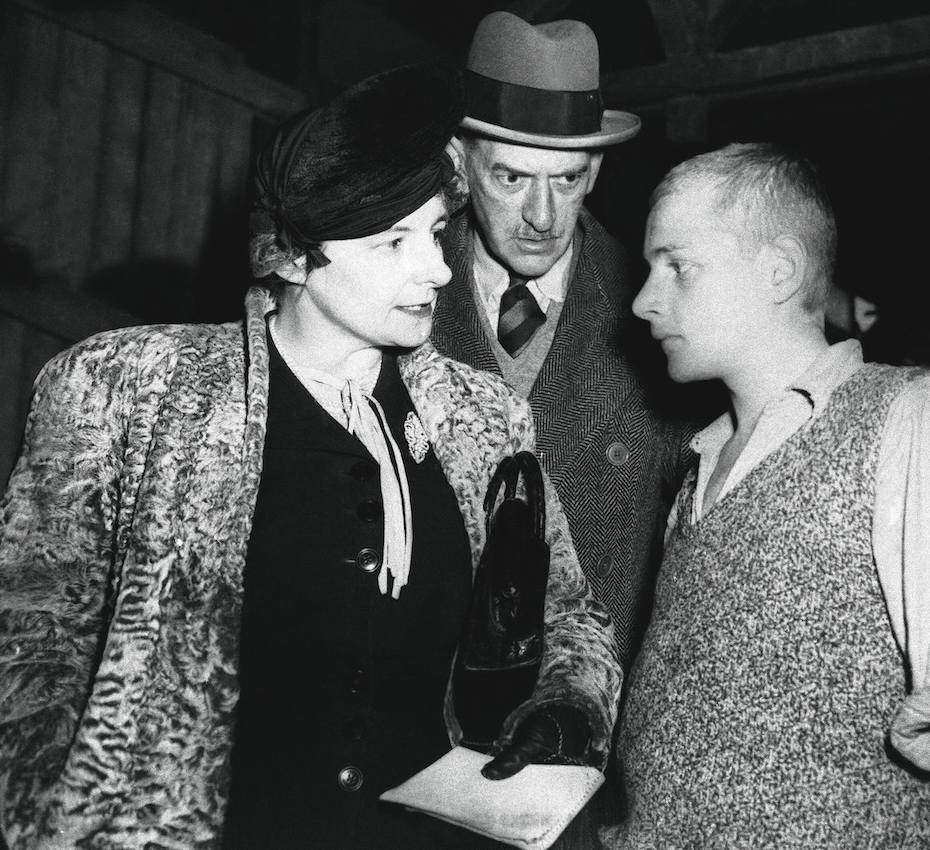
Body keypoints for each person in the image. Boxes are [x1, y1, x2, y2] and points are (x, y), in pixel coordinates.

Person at [0, 62, 621, 850]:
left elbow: (566, 612)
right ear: (292, 257)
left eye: (433, 234)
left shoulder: (484, 418)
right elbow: (30, 650)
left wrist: (564, 708)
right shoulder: (126, 390)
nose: (434, 269)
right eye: (394, 242)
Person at [601, 143, 930, 849]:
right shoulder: (697, 472)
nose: (642, 300)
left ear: (779, 270)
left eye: (677, 266)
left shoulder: (910, 419)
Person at [432, 12, 699, 675]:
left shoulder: (666, 323)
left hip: (585, 728)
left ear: (597, 170)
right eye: (512, 178)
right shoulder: (390, 291)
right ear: (458, 164)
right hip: (412, 721)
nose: (543, 218)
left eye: (568, 179)